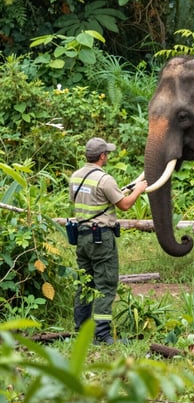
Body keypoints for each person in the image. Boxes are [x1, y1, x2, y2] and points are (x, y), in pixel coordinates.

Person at [69, 137, 148, 344]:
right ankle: (102, 334)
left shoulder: (76, 177)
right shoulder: (105, 179)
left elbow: (90, 200)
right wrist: (138, 190)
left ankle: (82, 330)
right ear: (102, 156)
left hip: (82, 238)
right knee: (105, 284)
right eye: (107, 154)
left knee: (85, 283)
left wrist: (125, 191)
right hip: (101, 238)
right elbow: (124, 206)